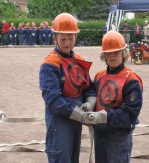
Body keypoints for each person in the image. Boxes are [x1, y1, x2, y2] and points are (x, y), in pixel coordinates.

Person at [39, 12, 96, 163]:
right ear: (55, 38)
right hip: (59, 121)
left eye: (71, 38)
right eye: (63, 39)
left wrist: (90, 102)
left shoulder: (79, 59)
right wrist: (78, 113)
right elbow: (53, 100)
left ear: (76, 38)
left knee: (72, 158)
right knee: (61, 158)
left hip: (76, 120)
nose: (67, 43)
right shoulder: (50, 64)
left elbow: (88, 87)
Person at [83, 30, 143, 163]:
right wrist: (90, 104)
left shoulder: (131, 80)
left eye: (116, 52)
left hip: (119, 136)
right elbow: (92, 92)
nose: (112, 56)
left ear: (124, 53)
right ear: (104, 55)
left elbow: (130, 113)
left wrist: (103, 116)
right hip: (100, 133)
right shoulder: (99, 76)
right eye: (109, 53)